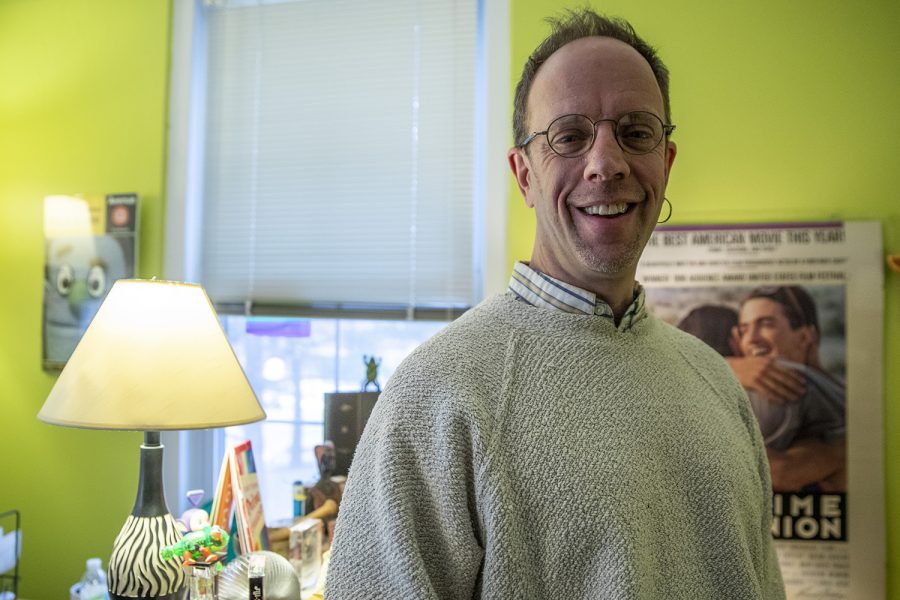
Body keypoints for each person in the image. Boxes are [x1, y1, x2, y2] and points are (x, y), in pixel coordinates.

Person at [326, 9, 784, 599]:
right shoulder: (435, 395)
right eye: (568, 136)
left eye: (636, 132)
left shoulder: (715, 382)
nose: (607, 163)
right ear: (523, 175)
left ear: (665, 164)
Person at [730, 286, 846, 492]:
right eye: (744, 329)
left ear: (803, 337)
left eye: (766, 324)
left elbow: (781, 473)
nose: (751, 339)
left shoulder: (829, 402)